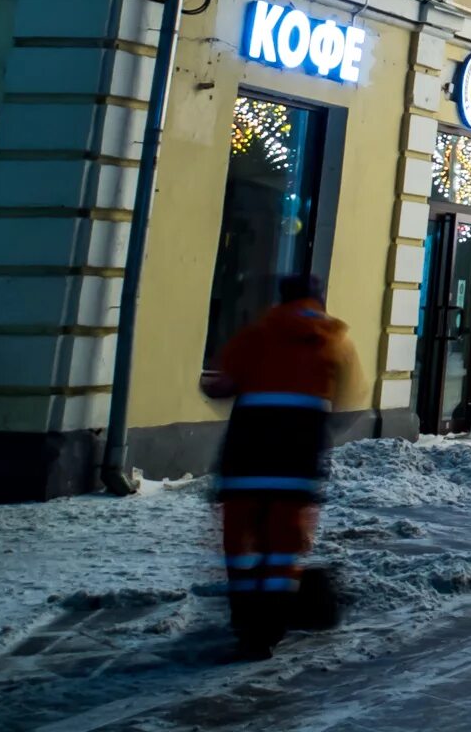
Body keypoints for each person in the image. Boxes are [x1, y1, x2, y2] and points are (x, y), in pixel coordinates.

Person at [203, 272, 361, 659]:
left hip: (247, 452)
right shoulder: (335, 340)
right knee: (284, 542)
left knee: (240, 539)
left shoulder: (256, 334)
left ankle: (244, 617)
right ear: (318, 299)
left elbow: (219, 385)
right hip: (298, 454)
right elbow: (350, 401)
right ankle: (270, 627)